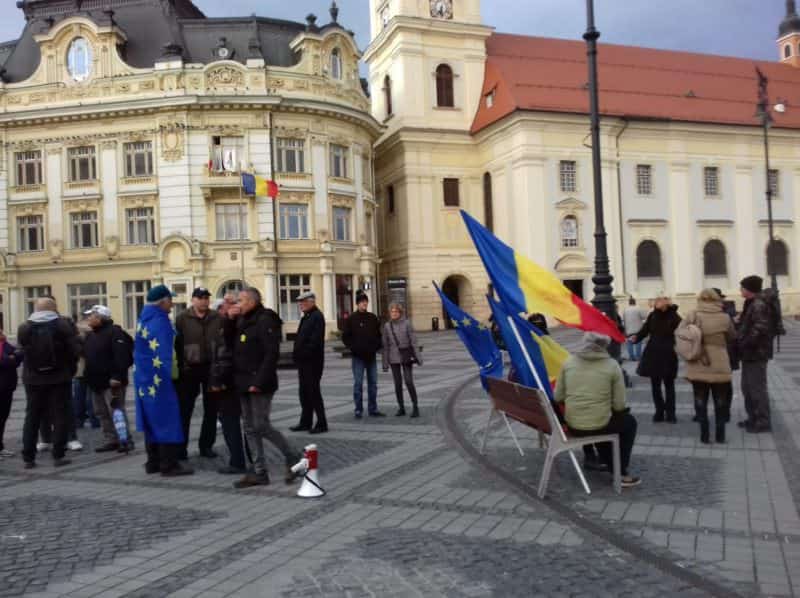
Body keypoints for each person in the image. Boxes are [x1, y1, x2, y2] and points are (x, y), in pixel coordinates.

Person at [230, 287, 299, 487]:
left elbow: (271, 354)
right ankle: (259, 471)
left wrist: (258, 382)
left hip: (260, 383)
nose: (238, 304)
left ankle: (292, 456)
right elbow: (231, 342)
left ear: (252, 301)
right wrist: (228, 319)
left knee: (261, 425)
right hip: (242, 381)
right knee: (249, 428)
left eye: (241, 300)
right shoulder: (242, 319)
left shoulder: (265, 319)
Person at [554, 332, 640, 488]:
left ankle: (607, 461)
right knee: (629, 423)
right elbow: (619, 405)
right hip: (599, 424)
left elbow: (558, 396)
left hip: (574, 425)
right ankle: (619, 468)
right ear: (605, 346)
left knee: (599, 421)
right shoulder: (612, 365)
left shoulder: (569, 362)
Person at [135, 285, 193, 476]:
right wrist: (170, 375)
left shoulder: (143, 319)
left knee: (152, 419)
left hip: (144, 378)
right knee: (166, 419)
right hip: (160, 379)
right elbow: (165, 354)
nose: (172, 304)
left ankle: (153, 462)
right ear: (162, 301)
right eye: (170, 300)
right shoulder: (160, 321)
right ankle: (169, 465)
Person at [18, 297, 80, 468]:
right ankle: (58, 455)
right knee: (60, 415)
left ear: (36, 309)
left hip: (32, 379)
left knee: (32, 416)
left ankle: (28, 458)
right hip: (59, 378)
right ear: (54, 308)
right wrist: (70, 369)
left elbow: (22, 351)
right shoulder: (62, 325)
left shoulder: (24, 327)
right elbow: (74, 351)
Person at [679, 289, 736, 444]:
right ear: (717, 300)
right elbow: (732, 336)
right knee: (721, 400)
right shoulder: (725, 317)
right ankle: (720, 435)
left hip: (698, 360)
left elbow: (679, 333)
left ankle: (704, 435)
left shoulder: (693, 315)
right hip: (720, 362)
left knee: (700, 399)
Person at [174, 287, 220, 459]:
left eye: (206, 298)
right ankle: (180, 449)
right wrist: (181, 366)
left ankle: (206, 446)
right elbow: (177, 345)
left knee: (212, 410)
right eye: (200, 298)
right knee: (185, 410)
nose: (203, 301)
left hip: (211, 368)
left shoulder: (217, 317)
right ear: (193, 300)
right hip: (189, 370)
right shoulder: (182, 318)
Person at [83, 305, 134, 453]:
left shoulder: (116, 333)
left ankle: (125, 441)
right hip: (96, 382)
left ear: (99, 318)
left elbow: (123, 357)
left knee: (116, 412)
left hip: (112, 382)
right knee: (102, 413)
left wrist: (117, 376)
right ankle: (111, 439)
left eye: (90, 316)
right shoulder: (91, 335)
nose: (88, 319)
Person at [207, 297, 246, 475]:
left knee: (230, 422)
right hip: (238, 380)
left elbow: (222, 357)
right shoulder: (237, 323)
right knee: (248, 423)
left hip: (229, 382)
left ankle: (237, 461)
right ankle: (248, 459)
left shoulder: (226, 327)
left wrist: (216, 381)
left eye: (220, 308)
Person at [737, 275, 778, 433]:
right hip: (749, 353)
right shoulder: (751, 303)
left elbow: (760, 328)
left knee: (757, 388)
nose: (740, 290)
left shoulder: (759, 304)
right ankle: (752, 417)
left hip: (757, 352)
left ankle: (763, 421)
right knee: (747, 387)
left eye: (742, 287)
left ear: (750, 289)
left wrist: (745, 342)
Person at [630, 296, 681, 422]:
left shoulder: (674, 316)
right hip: (660, 352)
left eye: (657, 303)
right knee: (660, 385)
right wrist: (636, 338)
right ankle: (663, 412)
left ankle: (667, 413)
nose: (655, 305)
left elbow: (681, 332)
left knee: (664, 385)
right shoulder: (655, 315)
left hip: (663, 352)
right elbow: (645, 330)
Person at [342, 292, 384, 419]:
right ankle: (358, 409)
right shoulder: (351, 319)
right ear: (357, 304)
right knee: (358, 384)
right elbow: (345, 337)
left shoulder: (372, 317)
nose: (364, 303)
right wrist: (353, 347)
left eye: (366, 301)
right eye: (361, 302)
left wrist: (376, 346)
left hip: (371, 357)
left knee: (373, 384)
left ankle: (373, 408)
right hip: (358, 357)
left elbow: (378, 335)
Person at [290, 292, 328, 434]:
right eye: (299, 302)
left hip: (312, 362)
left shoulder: (317, 316)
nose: (300, 305)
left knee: (313, 392)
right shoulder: (306, 317)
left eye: (303, 302)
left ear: (311, 302)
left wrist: (303, 354)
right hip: (304, 362)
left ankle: (321, 423)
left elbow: (315, 341)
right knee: (304, 393)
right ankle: (305, 422)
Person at [382, 303, 423, 417]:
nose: (394, 314)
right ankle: (401, 407)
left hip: (406, 356)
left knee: (409, 381)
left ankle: (415, 406)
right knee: (397, 384)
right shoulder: (387, 326)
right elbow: (385, 345)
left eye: (396, 312)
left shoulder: (407, 323)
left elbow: (413, 341)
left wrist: (418, 358)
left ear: (400, 312)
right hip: (393, 358)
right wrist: (385, 363)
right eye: (392, 312)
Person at [713, 288, 738, 423]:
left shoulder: (728, 311)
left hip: (725, 352)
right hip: (712, 354)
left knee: (725, 384)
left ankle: (725, 412)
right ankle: (704, 412)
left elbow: (733, 335)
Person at [0, 330, 21, 458]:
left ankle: (0, 447)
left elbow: (19, 355)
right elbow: (6, 362)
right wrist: (10, 359)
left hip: (7, 387)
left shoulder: (5, 345)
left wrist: (12, 358)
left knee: (3, 418)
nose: (2, 333)